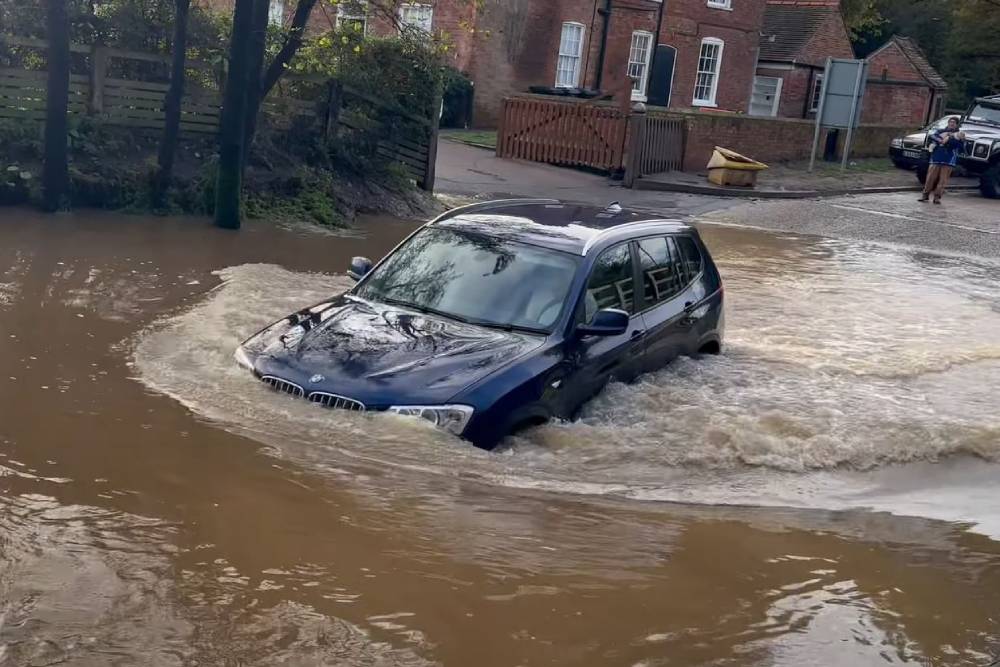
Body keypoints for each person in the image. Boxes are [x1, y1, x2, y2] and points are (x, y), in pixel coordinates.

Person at [921, 117, 965, 204]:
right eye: (950, 122)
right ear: (948, 123)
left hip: (949, 160)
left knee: (943, 180)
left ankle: (937, 197)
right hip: (936, 158)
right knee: (930, 178)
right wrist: (941, 140)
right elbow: (932, 137)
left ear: (957, 125)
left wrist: (950, 140)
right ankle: (925, 195)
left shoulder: (959, 135)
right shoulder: (940, 131)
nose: (952, 124)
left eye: (954, 122)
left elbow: (960, 147)